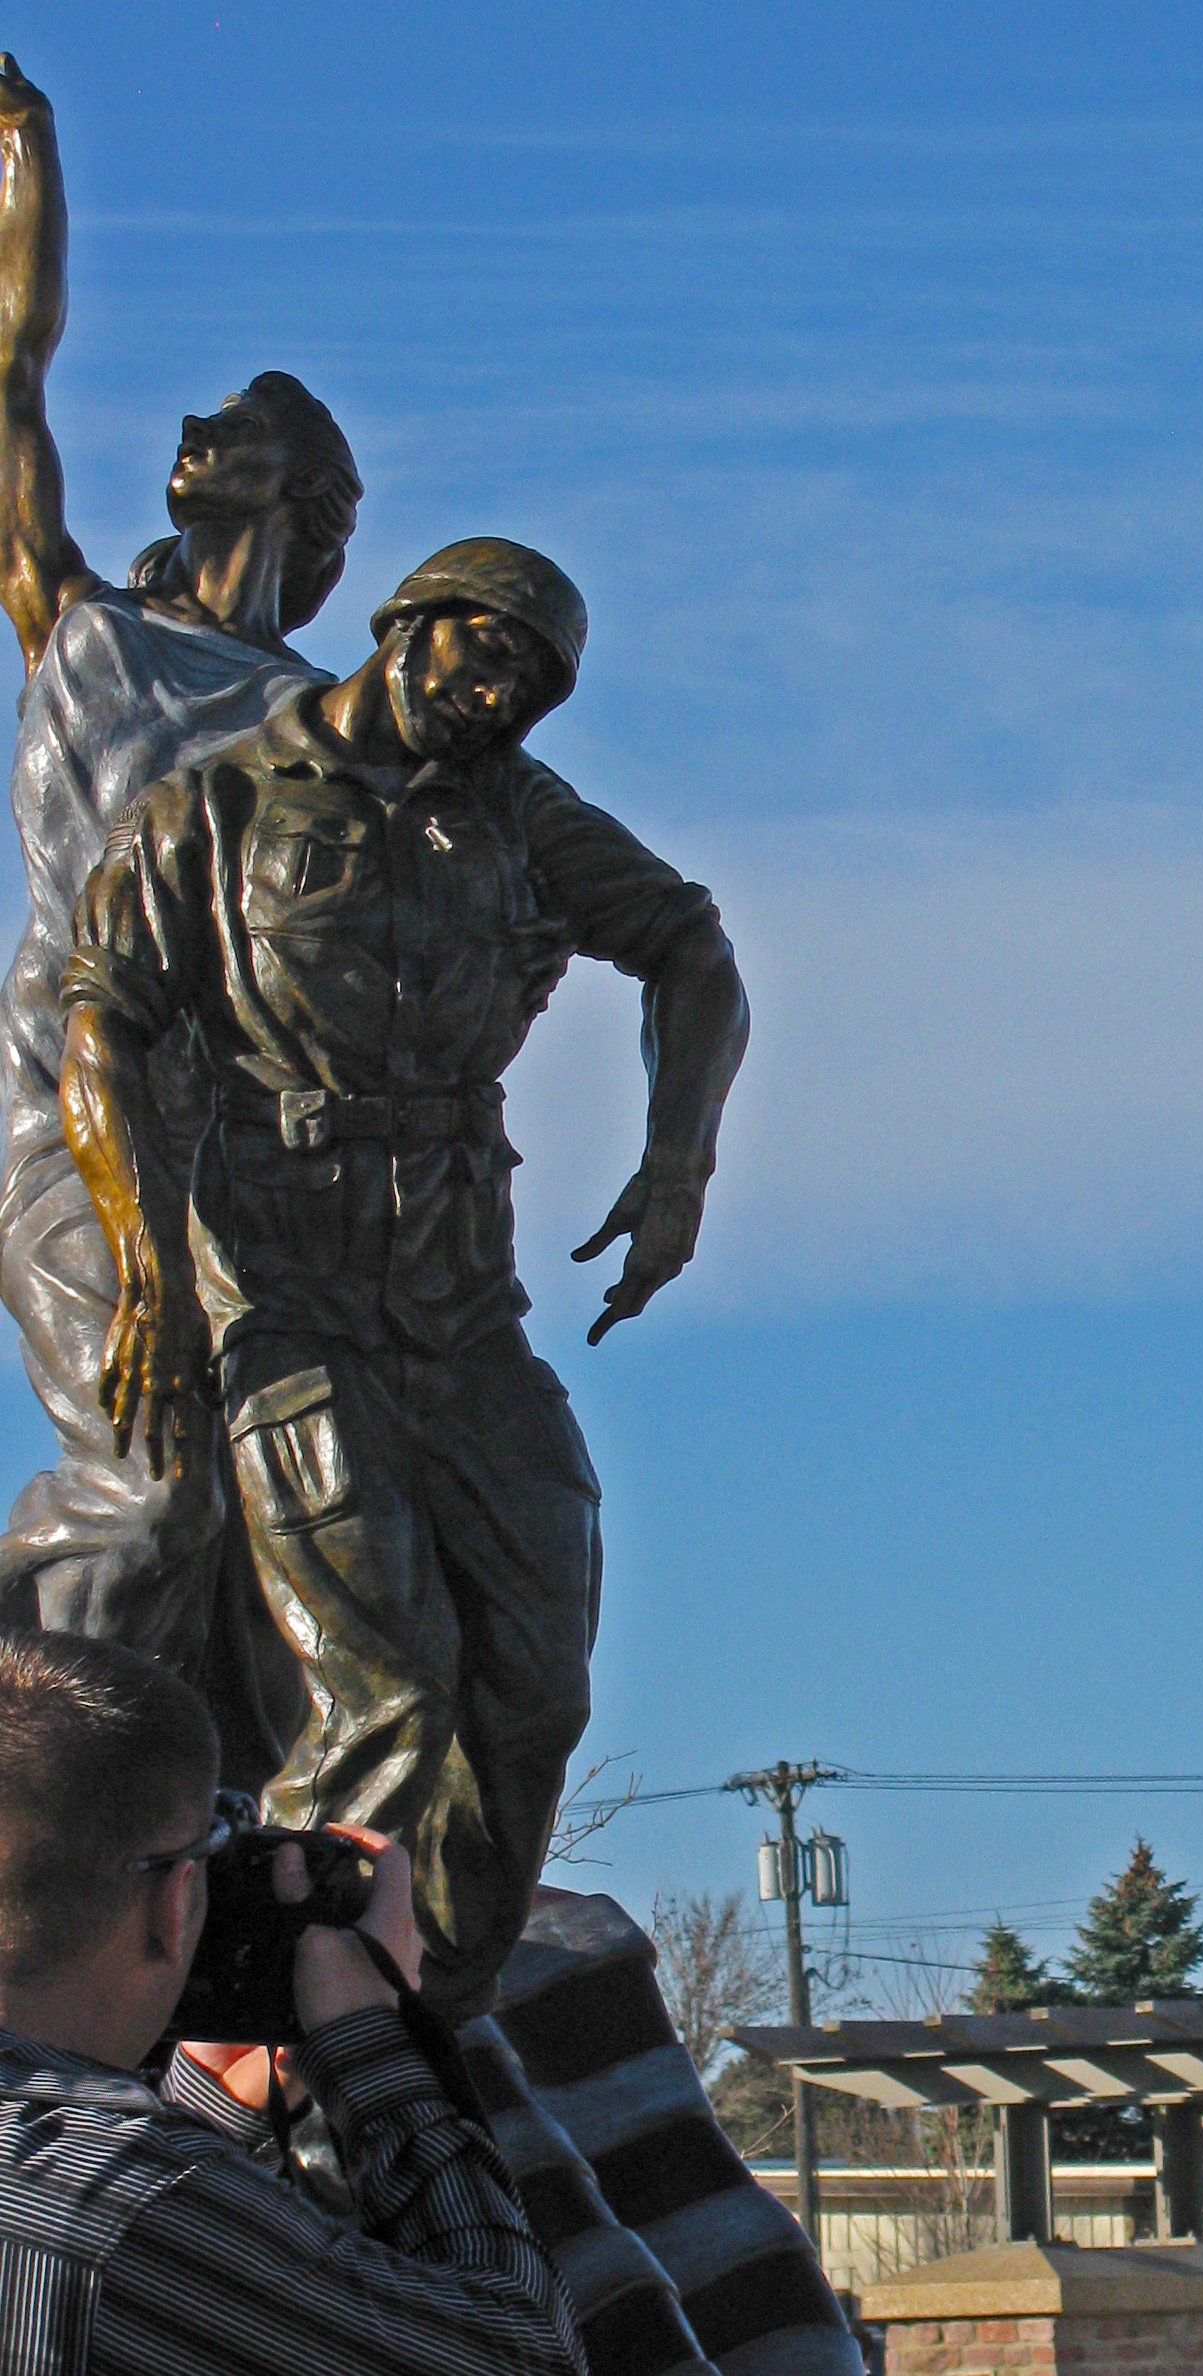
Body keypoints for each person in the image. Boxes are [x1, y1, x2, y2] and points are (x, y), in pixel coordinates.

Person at [55, 537, 750, 2019]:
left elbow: (690, 944)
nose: (500, 701)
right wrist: (139, 1265)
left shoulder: (517, 818)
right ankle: (280, 2039)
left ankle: (429, 2028)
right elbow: (101, 1026)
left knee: (537, 1686)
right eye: (486, 657)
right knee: (386, 1693)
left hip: (462, 1314)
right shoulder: (216, 808)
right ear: (411, 628)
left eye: (531, 687)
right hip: (289, 1309)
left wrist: (675, 1163)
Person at [0, 52, 360, 1756]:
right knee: (146, 1492)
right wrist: (28, 147)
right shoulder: (83, 626)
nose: (190, 434)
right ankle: (25, 1764)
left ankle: (198, 1815)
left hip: (254, 1145)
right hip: (66, 1116)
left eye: (236, 426)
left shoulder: (323, 722)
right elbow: (11, 366)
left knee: (278, 1515)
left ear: (297, 490)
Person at [0, 1625, 582, 2374]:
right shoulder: (121, 2207)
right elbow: (523, 2358)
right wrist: (371, 2048)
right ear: (177, 1904)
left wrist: (204, 2107)